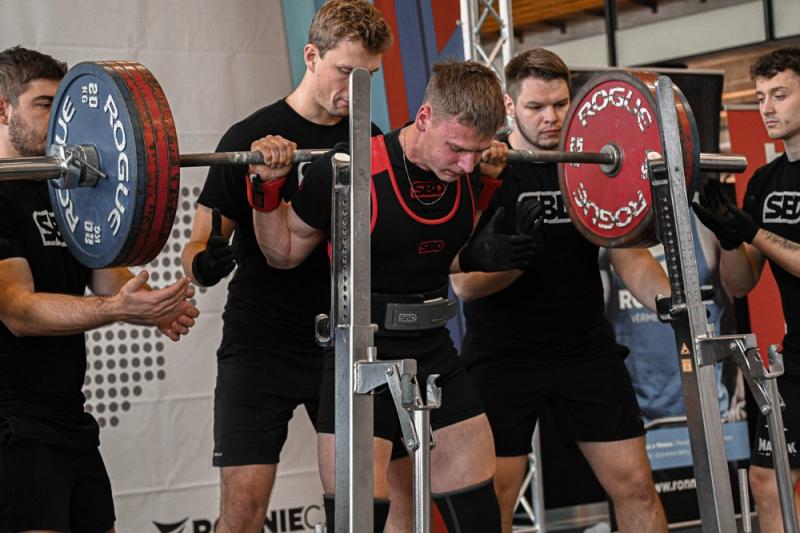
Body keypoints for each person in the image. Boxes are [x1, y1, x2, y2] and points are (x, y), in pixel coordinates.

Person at [250, 59, 543, 532]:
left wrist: (476, 254)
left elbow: (435, 250)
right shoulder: (350, 172)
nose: (467, 164)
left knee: (479, 520)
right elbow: (282, 252)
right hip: (360, 357)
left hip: (434, 350)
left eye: (477, 151)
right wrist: (266, 188)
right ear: (424, 117)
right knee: (360, 523)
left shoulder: (471, 172)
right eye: (456, 148)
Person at [179, 2, 392, 531]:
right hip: (262, 342)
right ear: (311, 56)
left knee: (362, 505)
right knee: (243, 509)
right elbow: (198, 244)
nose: (355, 90)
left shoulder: (369, 138)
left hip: (343, 341)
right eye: (346, 72)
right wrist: (205, 263)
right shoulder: (250, 137)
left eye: (368, 77)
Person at [449, 48, 669, 533]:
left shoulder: (592, 163)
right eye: (535, 107)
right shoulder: (486, 170)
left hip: (584, 349)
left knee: (636, 487)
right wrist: (517, 261)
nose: (550, 117)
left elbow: (628, 254)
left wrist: (674, 304)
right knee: (495, 499)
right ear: (510, 107)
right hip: (503, 355)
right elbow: (464, 286)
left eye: (560, 104)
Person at [0, 45, 198, 533]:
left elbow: (106, 274)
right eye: (43, 105)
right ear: (2, 110)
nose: (58, 123)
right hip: (12, 425)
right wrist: (115, 309)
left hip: (69, 417)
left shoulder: (64, 187)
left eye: (61, 108)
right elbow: (19, 311)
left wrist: (150, 303)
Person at [693, 46, 800, 532]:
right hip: (797, 353)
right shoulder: (764, 180)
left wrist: (753, 231)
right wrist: (729, 238)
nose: (767, 108)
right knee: (768, 479)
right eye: (760, 97)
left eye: (780, 94)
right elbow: (740, 283)